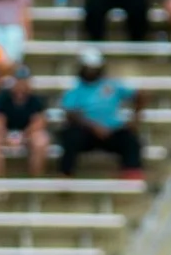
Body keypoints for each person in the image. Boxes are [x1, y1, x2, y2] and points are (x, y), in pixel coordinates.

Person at [57, 48, 142, 178]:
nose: (91, 72)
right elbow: (70, 113)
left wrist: (135, 118)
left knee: (130, 139)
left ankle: (131, 174)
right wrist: (93, 127)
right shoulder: (75, 87)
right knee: (71, 136)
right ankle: (65, 174)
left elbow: (140, 95)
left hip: (111, 131)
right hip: (86, 132)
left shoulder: (112, 85)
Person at [0, 66, 50, 178]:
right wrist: (6, 136)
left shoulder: (36, 100)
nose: (21, 85)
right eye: (18, 81)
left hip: (28, 134)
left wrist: (23, 136)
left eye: (24, 81)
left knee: (41, 141)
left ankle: (35, 180)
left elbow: (39, 122)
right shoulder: (3, 97)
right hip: (5, 132)